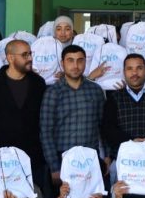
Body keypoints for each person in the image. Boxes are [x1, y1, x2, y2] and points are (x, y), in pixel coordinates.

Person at [0, 39, 50, 198]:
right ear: (10, 58)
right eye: (24, 55)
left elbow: (43, 118)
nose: (30, 58)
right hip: (0, 159)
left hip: (33, 158)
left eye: (30, 54)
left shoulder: (38, 83)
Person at [39, 45, 107, 184]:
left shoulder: (95, 90)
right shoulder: (53, 92)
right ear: (62, 63)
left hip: (90, 158)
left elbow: (103, 126)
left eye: (80, 60)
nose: (75, 65)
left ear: (85, 62)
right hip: (63, 159)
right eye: (70, 60)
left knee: (93, 197)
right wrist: (54, 167)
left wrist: (107, 155)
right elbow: (45, 132)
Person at [101, 54, 145, 165]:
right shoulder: (113, 98)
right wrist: (131, 142)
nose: (134, 73)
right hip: (122, 160)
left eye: (139, 68)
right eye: (130, 68)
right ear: (124, 72)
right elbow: (108, 129)